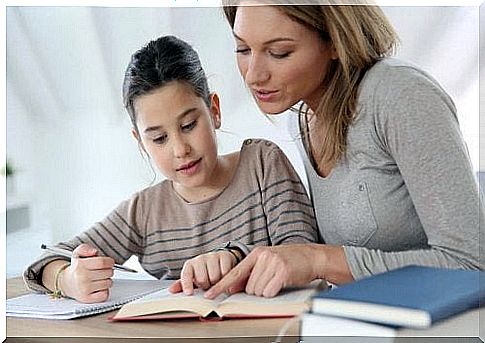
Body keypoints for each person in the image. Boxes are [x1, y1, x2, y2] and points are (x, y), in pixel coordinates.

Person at [202, 2, 484, 299]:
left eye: (279, 53)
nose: (253, 75)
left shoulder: (401, 96)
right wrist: (237, 258)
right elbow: (330, 250)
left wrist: (319, 259)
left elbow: (472, 264)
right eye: (243, 49)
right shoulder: (302, 118)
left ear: (336, 41)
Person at [23, 35, 318, 303]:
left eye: (189, 125)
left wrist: (236, 256)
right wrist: (69, 279)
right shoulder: (144, 210)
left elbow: (305, 255)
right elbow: (47, 260)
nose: (180, 149)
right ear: (140, 142)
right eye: (159, 138)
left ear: (214, 111)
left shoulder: (262, 164)